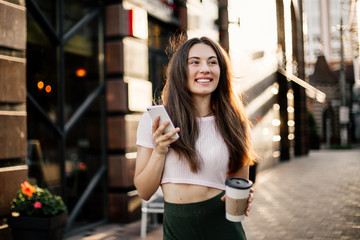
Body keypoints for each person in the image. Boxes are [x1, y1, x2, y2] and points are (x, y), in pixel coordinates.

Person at [135, 36, 256, 240]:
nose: (205, 69)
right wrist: (159, 151)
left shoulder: (237, 124)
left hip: (224, 230)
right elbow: (144, 191)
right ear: (180, 70)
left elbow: (238, 183)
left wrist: (243, 197)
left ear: (221, 71)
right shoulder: (155, 121)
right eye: (195, 62)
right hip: (178, 232)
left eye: (212, 62)